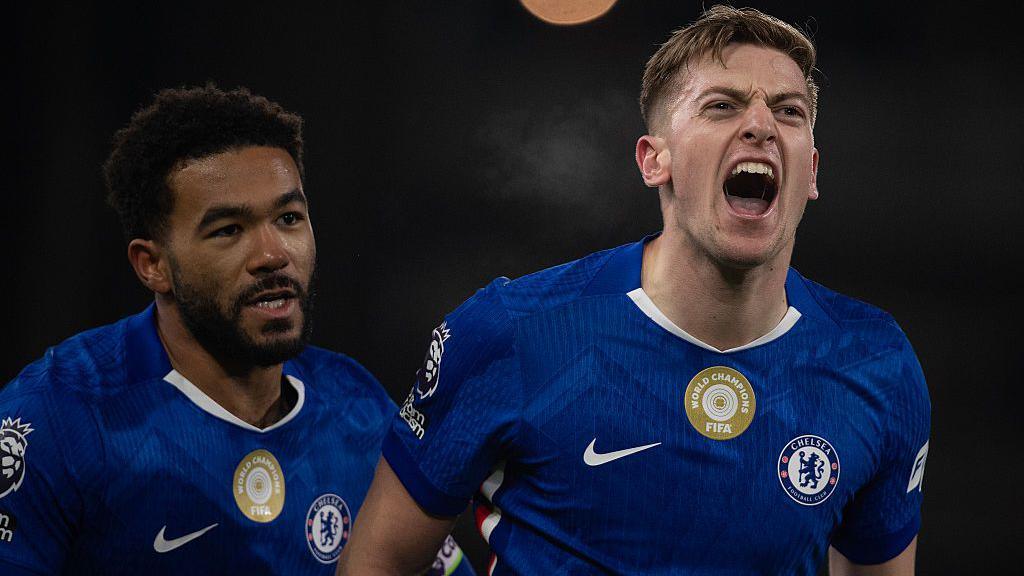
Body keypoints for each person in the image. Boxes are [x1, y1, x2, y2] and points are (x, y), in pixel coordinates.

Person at [337, 6, 931, 576]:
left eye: (789, 111)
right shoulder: (510, 334)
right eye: (721, 106)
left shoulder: (876, 363)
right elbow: (378, 560)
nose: (760, 126)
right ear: (654, 161)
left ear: (813, 172)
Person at [0, 85, 472, 575]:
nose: (272, 254)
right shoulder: (53, 421)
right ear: (152, 265)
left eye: (289, 218)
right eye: (228, 230)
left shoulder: (359, 408)